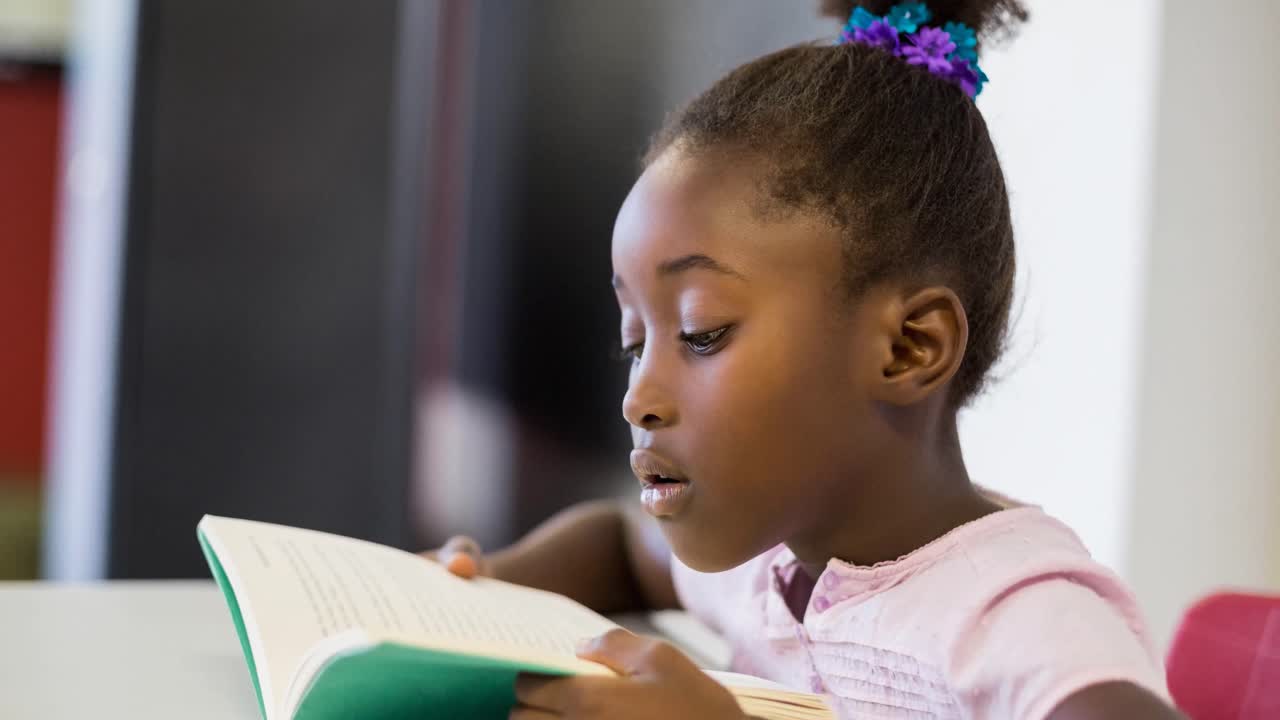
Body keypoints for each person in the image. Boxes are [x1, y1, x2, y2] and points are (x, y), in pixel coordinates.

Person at [428, 2, 1183, 717]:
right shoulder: (768, 560)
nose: (639, 397)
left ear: (908, 347)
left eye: (700, 333)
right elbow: (625, 547)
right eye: (636, 340)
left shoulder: (1016, 620)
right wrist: (488, 584)